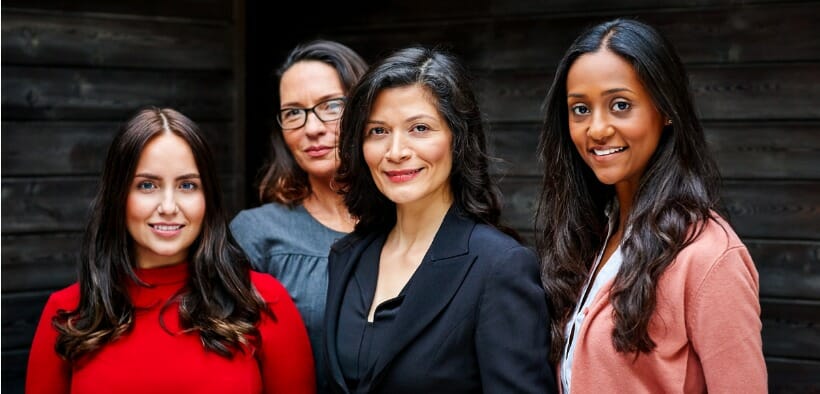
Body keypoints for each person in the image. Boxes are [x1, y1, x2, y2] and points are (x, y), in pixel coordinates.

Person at [535, 18, 767, 393]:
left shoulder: (709, 257)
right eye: (580, 109)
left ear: (666, 110)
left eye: (620, 105)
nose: (596, 129)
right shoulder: (588, 238)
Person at [26, 108, 316, 394]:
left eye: (187, 185)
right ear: (118, 195)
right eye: (147, 185)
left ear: (208, 198)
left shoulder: (263, 303)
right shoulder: (66, 313)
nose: (168, 207)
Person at [325, 46, 556, 394]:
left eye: (419, 128)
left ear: (457, 139)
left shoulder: (499, 267)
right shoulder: (348, 255)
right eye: (378, 131)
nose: (396, 151)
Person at [230, 40, 367, 392]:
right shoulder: (256, 234)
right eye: (294, 112)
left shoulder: (408, 223)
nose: (312, 128)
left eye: (331, 106)